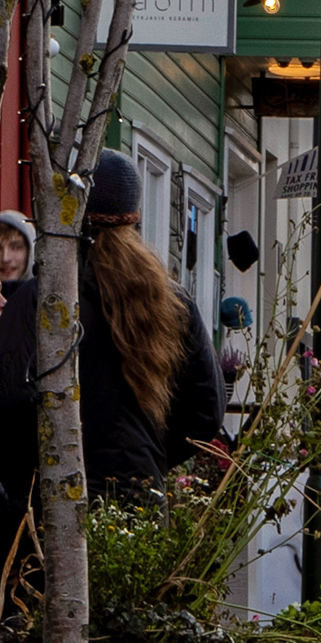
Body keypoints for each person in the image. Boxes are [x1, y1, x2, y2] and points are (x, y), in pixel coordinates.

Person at [71, 153, 228, 500]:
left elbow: (3, 390)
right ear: (134, 215)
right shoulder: (169, 298)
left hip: (59, 492)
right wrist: (152, 453)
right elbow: (206, 409)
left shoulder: (52, 294)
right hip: (139, 491)